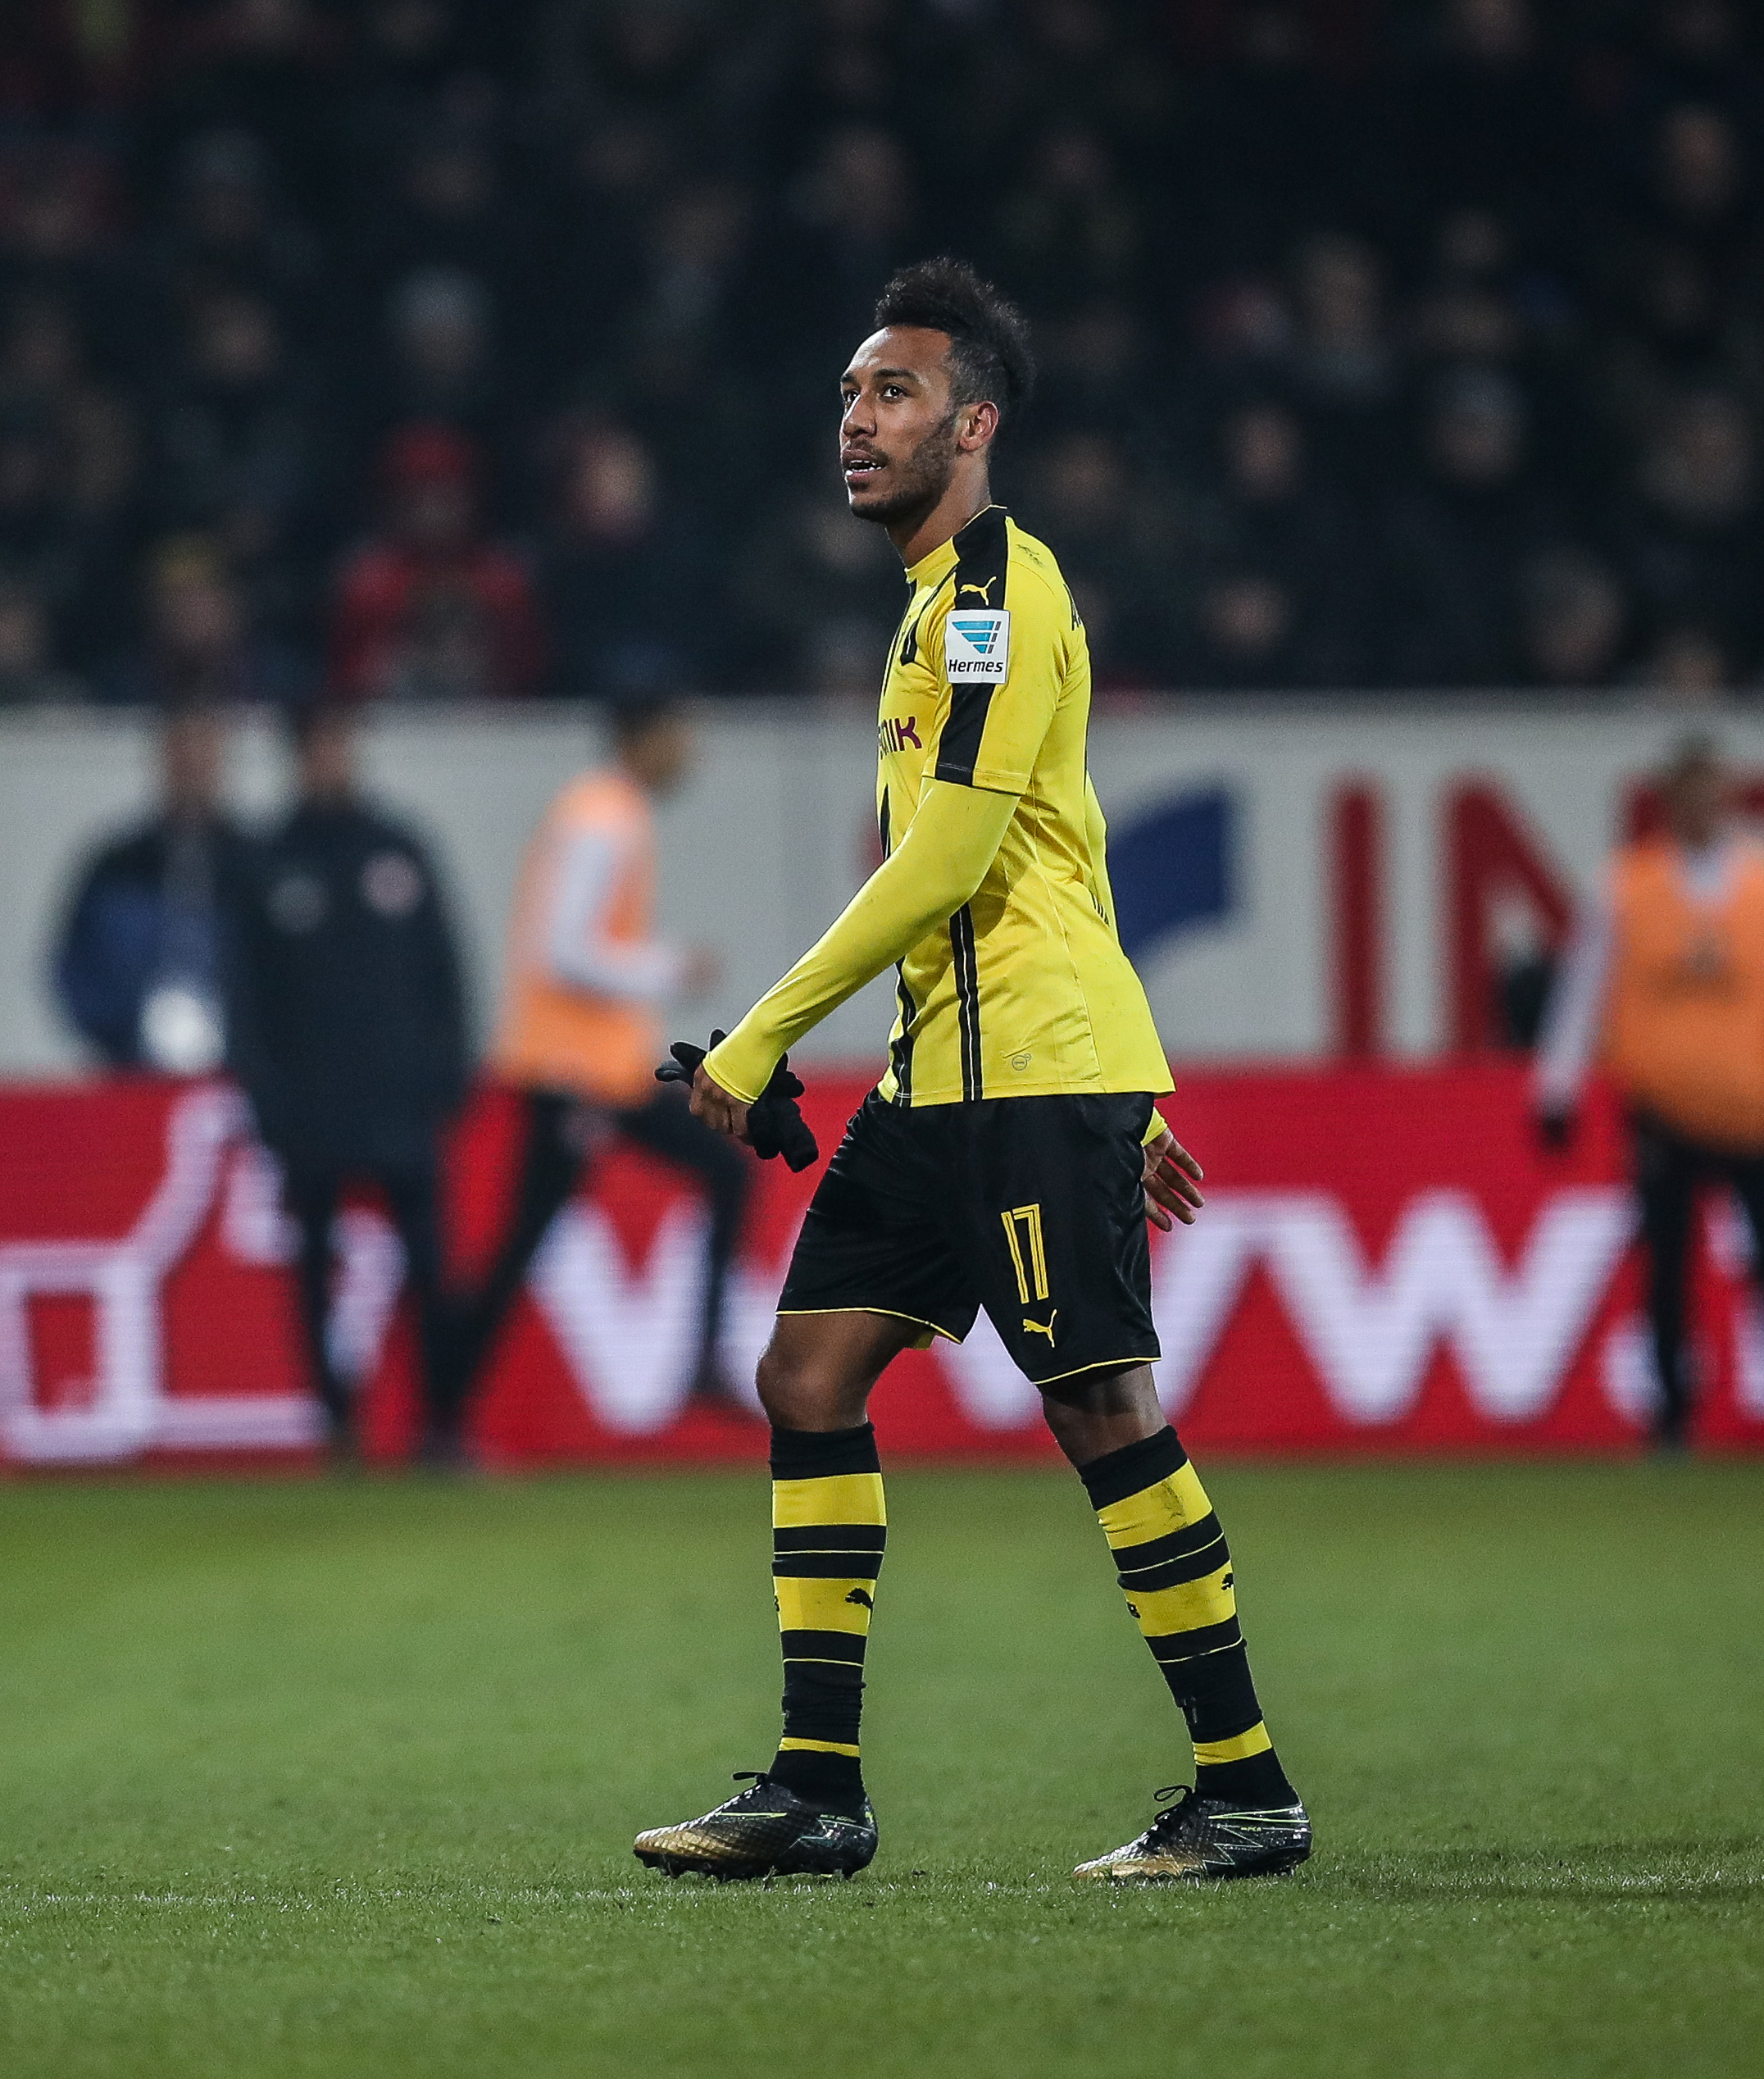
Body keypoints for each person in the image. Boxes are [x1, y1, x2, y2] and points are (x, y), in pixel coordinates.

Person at [631, 259, 1307, 1887]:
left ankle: (1250, 1786)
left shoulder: (1001, 592)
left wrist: (763, 1033)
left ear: (976, 423)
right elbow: (1057, 858)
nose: (858, 422)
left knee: (1097, 1403)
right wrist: (1122, 1087)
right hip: (957, 1078)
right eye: (852, 396)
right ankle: (815, 1788)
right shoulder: (938, 603)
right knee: (805, 1378)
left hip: (1019, 1075)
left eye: (897, 394)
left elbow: (948, 856)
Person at [1532, 736, 1764, 1450]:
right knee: (1667, 1268)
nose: (1704, 806)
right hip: (1664, 1105)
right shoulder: (1626, 883)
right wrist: (1555, 1085)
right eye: (1692, 792)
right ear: (1669, 800)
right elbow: (1583, 987)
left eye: (1713, 791)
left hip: (1755, 1106)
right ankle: (1672, 1414)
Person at [457, 696, 743, 1444]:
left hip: (597, 1074)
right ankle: (441, 1411)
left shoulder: (606, 812)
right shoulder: (602, 819)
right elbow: (563, 950)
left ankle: (705, 1358)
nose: (688, 752)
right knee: (520, 1243)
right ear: (642, 736)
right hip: (573, 1074)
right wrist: (670, 968)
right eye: (678, 733)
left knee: (724, 1174)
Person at [223, 702, 470, 1461]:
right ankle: (336, 1421)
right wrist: (264, 1098)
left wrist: (448, 1075)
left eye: (339, 745)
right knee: (314, 1269)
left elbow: (445, 974)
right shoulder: (267, 862)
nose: (330, 760)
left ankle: (438, 1424)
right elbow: (246, 997)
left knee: (428, 1265)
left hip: (400, 1099)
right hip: (314, 1106)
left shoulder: (397, 848)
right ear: (297, 758)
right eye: (316, 747)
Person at [51, 701, 250, 1076]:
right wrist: (121, 1033)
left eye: (204, 754)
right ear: (163, 761)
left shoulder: (258, 866)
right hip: (133, 1077)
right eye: (182, 754)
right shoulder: (115, 866)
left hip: (240, 1079)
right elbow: (74, 968)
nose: (193, 769)